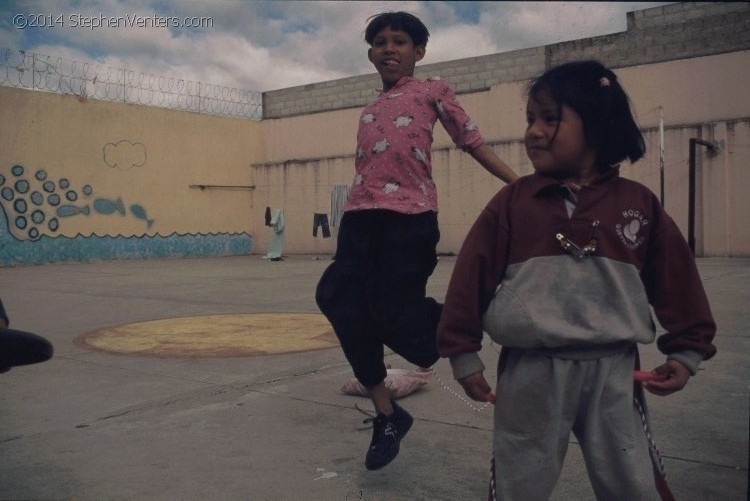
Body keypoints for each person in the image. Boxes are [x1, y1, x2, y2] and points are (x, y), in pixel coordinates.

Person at [437, 60, 717, 500]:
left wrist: (687, 350)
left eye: (550, 118)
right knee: (519, 480)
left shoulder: (639, 205)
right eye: (531, 119)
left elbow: (677, 281)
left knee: (633, 478)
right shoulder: (511, 204)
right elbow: (469, 281)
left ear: (598, 125)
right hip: (531, 371)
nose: (533, 131)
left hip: (614, 370)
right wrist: (463, 354)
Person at [315, 11, 518, 471]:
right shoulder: (368, 108)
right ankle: (389, 414)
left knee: (394, 314)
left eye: (400, 41)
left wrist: (518, 185)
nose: (389, 49)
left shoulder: (432, 91)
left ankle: (465, 322)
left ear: (419, 52)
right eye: (380, 42)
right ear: (370, 53)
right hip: (360, 220)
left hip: (409, 218)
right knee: (337, 297)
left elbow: (471, 140)